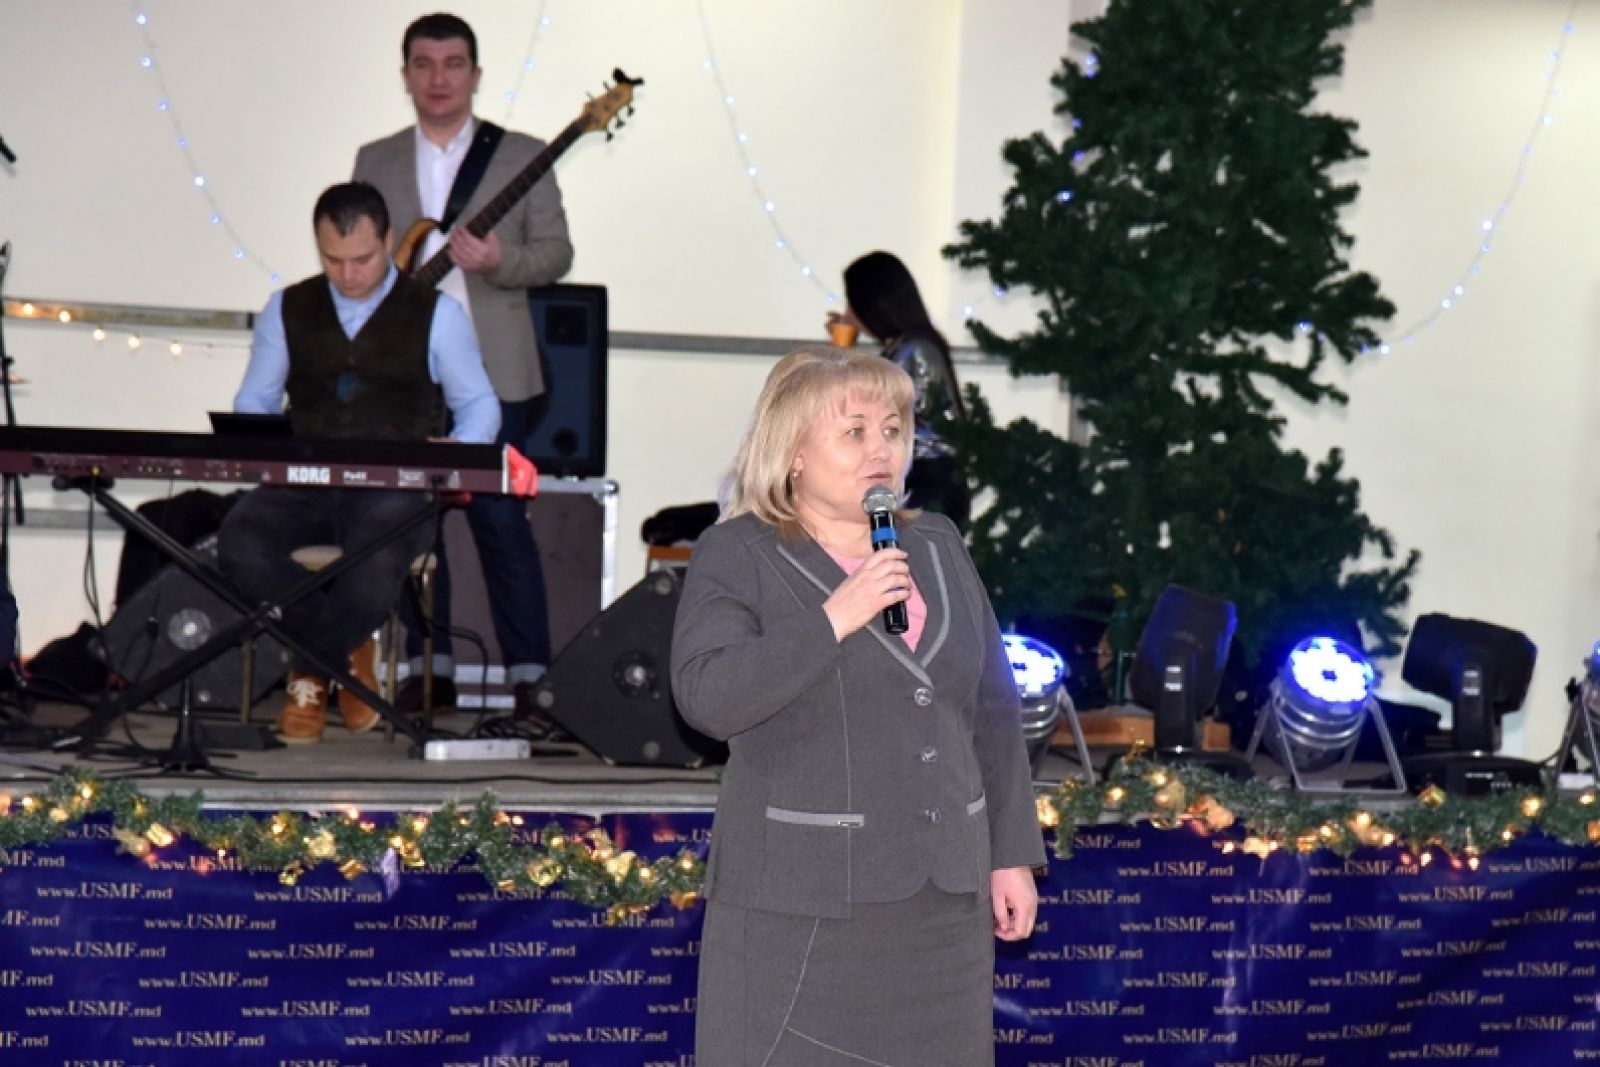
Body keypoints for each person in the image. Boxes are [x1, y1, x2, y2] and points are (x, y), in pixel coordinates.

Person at [670, 346, 1043, 1064]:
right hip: (804, 914)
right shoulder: (738, 552)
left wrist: (1011, 856)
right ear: (793, 453)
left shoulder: (938, 543)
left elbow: (992, 712)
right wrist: (833, 618)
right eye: (855, 431)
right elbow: (706, 696)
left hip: (945, 911)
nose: (882, 449)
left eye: (893, 430)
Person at [220, 181, 499, 744]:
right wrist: (260, 445)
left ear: (388, 241)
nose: (348, 274)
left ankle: (308, 673)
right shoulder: (287, 308)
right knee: (238, 544)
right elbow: (254, 402)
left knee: (375, 554)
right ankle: (349, 653)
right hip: (303, 483)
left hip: (395, 489)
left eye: (362, 259)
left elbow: (480, 406)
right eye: (333, 260)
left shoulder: (437, 314)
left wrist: (456, 454)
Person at [354, 13, 574, 720]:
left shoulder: (521, 155)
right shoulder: (375, 159)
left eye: (453, 64)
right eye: (424, 64)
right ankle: (428, 670)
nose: (439, 78)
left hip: (496, 369)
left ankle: (532, 679)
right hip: (406, 375)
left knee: (501, 524)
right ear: (405, 75)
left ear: (475, 75)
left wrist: (501, 260)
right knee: (410, 525)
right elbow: (358, 255)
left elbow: (558, 254)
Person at [827, 250, 971, 527]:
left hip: (927, 483)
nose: (848, 312)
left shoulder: (913, 351)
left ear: (872, 304)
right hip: (918, 478)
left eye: (852, 302)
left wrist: (840, 350)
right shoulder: (902, 348)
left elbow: (865, 408)